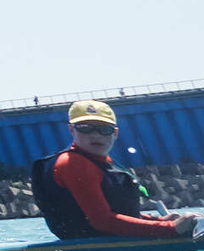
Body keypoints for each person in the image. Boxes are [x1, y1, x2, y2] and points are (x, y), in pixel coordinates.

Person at [27, 99, 199, 241]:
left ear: (115, 133)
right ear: (71, 130)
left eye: (104, 129)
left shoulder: (102, 162)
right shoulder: (73, 164)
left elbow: (118, 213)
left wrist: (159, 220)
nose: (95, 135)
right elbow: (102, 221)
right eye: (85, 128)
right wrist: (170, 229)